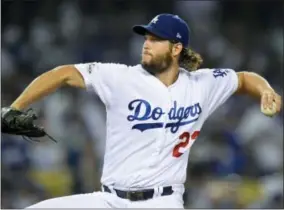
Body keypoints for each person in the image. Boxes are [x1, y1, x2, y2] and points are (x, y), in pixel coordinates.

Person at [4, 13, 282, 208]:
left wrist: (266, 90)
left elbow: (244, 78)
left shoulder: (202, 85)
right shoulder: (121, 77)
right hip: (108, 200)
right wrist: (16, 108)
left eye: (156, 39)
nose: (146, 43)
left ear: (176, 48)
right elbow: (63, 73)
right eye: (146, 37)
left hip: (162, 202)